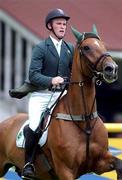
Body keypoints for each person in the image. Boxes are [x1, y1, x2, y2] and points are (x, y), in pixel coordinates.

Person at [21, 8, 74, 179]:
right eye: (59, 23)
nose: (62, 27)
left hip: (62, 96)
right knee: (35, 125)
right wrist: (51, 80)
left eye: (64, 24)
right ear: (50, 26)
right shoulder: (41, 47)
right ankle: (28, 163)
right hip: (42, 95)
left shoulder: (69, 48)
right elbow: (33, 75)